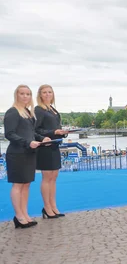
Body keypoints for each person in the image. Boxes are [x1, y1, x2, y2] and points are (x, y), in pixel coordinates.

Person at [4, 85, 51, 229]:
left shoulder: (28, 113)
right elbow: (9, 134)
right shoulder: (12, 112)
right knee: (18, 185)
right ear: (16, 95)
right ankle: (18, 216)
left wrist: (42, 138)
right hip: (17, 154)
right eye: (22, 94)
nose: (25, 96)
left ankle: (25, 214)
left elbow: (31, 133)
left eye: (28, 94)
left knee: (26, 185)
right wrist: (28, 143)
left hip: (29, 153)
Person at [35, 85, 69, 218]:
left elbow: (55, 128)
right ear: (40, 95)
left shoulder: (53, 109)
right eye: (45, 92)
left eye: (50, 92)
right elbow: (36, 130)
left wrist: (62, 133)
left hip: (55, 146)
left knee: (54, 178)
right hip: (45, 147)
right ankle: (47, 207)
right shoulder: (38, 109)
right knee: (47, 178)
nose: (48, 94)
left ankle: (53, 206)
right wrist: (52, 132)